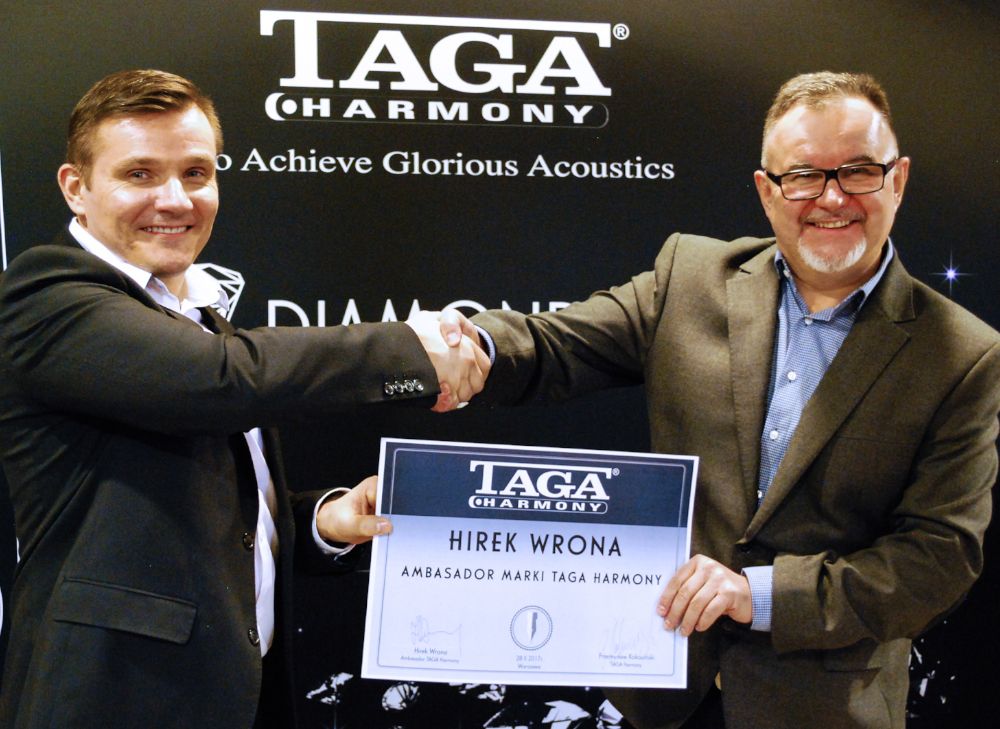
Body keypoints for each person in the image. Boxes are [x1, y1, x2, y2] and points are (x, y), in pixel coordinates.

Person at [440, 71, 1000, 728]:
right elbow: (553, 345)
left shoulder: (962, 353)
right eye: (803, 175)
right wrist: (472, 345)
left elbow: (938, 557)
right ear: (766, 191)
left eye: (858, 172)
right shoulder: (692, 277)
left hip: (823, 708)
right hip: (659, 687)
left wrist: (757, 594)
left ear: (897, 180)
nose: (831, 197)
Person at [0, 69, 487, 729]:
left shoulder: (199, 317)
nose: (175, 199)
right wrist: (409, 348)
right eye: (140, 174)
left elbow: (200, 515)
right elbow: (220, 381)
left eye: (196, 173)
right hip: (111, 699)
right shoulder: (45, 292)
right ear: (75, 188)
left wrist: (321, 523)